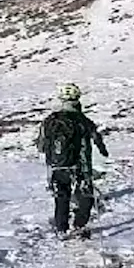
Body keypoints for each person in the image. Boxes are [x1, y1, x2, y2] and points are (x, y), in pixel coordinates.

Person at [35, 82, 109, 237]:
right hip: (80, 166)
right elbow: (97, 142)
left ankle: (61, 229)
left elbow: (41, 146)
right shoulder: (82, 120)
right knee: (85, 196)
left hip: (56, 165)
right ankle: (79, 226)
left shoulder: (49, 120)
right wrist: (102, 153)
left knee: (61, 197)